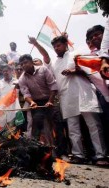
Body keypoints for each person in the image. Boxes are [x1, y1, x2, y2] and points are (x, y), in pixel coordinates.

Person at [46, 36, 107, 165]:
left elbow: (91, 70)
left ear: (65, 44)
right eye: (55, 46)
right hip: (67, 97)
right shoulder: (54, 63)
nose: (56, 48)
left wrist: (74, 71)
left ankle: (101, 156)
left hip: (83, 93)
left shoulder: (76, 54)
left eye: (59, 45)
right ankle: (78, 154)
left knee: (93, 126)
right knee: (73, 128)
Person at [18, 54, 68, 158]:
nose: (23, 65)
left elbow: (53, 86)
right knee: (37, 125)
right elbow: (26, 94)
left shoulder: (43, 70)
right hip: (36, 103)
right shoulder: (22, 78)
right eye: (21, 64)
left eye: (25, 62)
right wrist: (31, 102)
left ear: (31, 62)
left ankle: (61, 153)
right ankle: (35, 153)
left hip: (51, 99)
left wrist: (50, 101)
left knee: (58, 124)